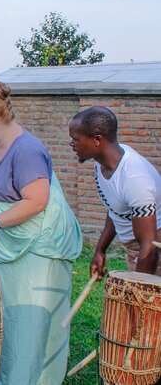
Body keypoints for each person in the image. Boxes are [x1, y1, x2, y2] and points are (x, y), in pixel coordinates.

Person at [0, 81, 82, 385]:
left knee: (30, 322)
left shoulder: (27, 150)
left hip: (40, 246)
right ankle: (8, 376)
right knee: (8, 318)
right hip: (12, 246)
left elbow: (37, 201)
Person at [69, 106, 161, 276]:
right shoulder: (101, 163)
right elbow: (115, 208)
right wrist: (100, 250)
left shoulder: (135, 179)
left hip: (152, 252)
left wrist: (138, 289)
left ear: (97, 140)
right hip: (137, 248)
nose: (72, 144)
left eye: (76, 139)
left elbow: (150, 245)